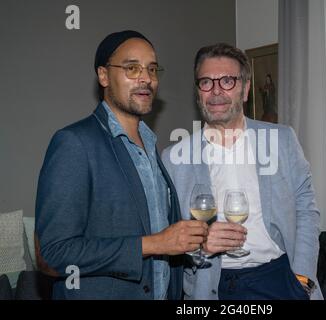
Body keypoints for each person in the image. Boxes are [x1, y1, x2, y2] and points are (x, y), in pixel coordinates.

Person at [35, 30, 208, 300]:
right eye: (132, 68)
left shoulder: (152, 147)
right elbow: (51, 256)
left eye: (152, 69)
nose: (146, 78)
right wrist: (154, 244)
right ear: (103, 76)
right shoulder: (74, 143)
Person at [162, 43, 323, 300]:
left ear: (245, 89)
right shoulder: (173, 158)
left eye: (227, 81)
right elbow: (168, 235)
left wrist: (302, 279)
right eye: (206, 82)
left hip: (278, 279)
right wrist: (199, 247)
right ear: (198, 92)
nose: (216, 91)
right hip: (209, 284)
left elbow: (306, 210)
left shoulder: (282, 140)